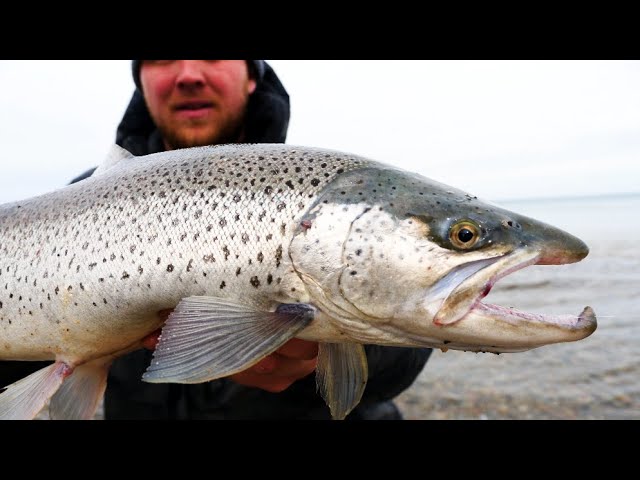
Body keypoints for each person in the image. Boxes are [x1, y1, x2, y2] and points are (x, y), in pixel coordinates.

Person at [1, 60, 432, 420]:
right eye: (163, 58)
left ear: (251, 75)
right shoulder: (74, 204)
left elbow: (405, 360)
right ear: (142, 82)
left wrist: (332, 348)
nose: (188, 73)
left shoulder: (322, 189)